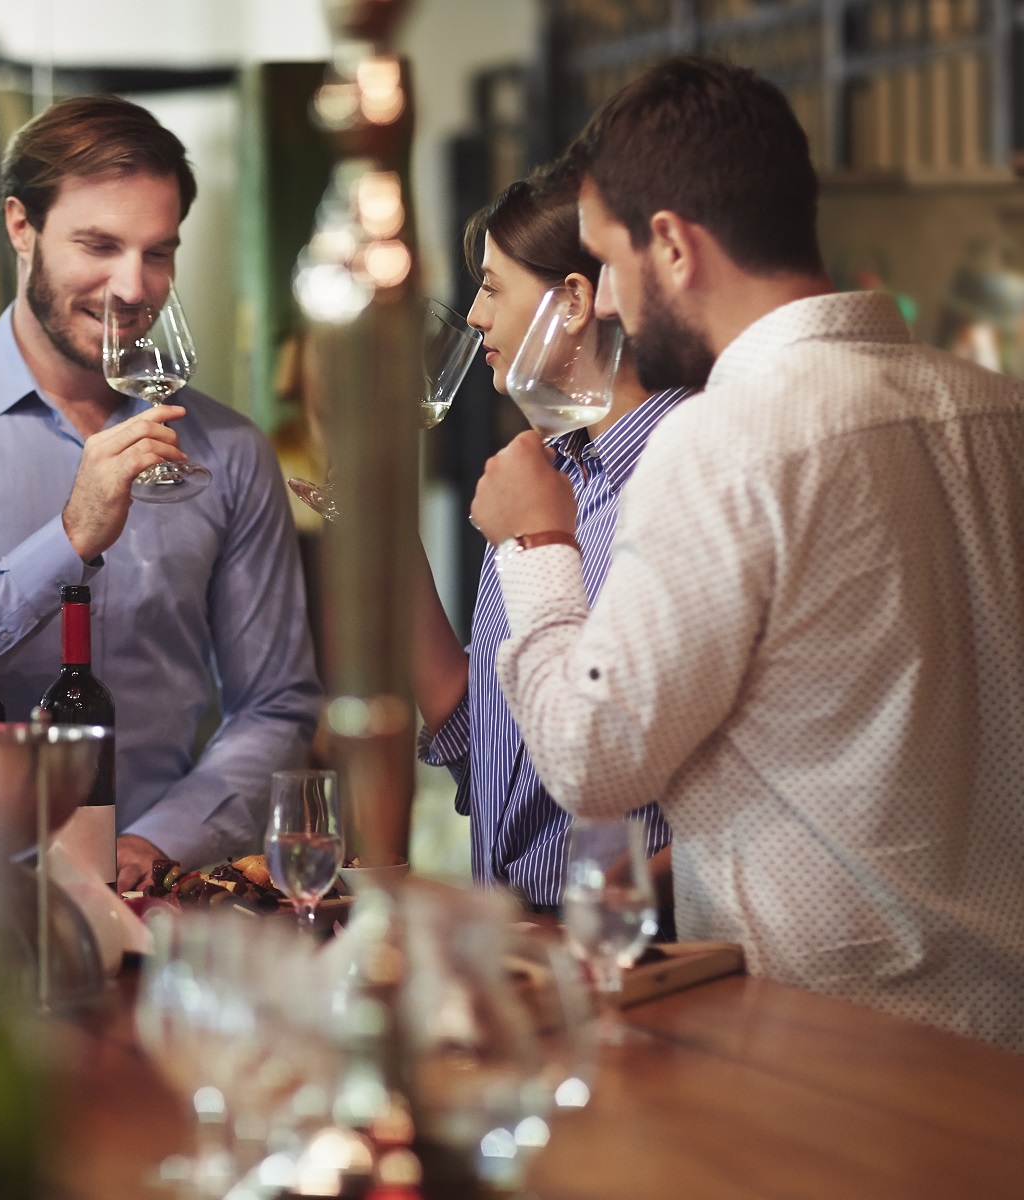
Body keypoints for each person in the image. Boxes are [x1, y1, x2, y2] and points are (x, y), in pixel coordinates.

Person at [470, 57, 1024, 1050]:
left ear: (673, 245)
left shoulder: (723, 438)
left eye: (611, 264)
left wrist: (539, 540)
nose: (604, 307)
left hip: (832, 1041)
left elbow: (594, 763)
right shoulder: (999, 413)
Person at [0, 95, 321, 890]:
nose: (133, 287)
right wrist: (70, 540)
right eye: (99, 244)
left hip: (156, 900)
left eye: (158, 252)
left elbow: (276, 705)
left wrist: (158, 843)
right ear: (21, 226)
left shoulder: (227, 452)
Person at [414, 170, 690, 912]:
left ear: (573, 301)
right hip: (525, 951)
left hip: (632, 956)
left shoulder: (681, 480)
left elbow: (720, 795)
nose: (474, 317)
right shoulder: (547, 477)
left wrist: (597, 911)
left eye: (494, 289)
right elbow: (492, 754)